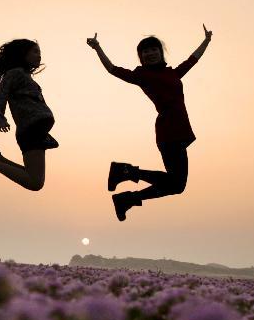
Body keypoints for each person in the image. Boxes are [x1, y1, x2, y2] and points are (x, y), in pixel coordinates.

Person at [86, 25, 212, 220]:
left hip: (180, 129)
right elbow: (113, 69)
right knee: (176, 184)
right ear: (141, 56)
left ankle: (126, 195)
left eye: (154, 49)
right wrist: (97, 48)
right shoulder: (143, 76)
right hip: (169, 131)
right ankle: (125, 175)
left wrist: (206, 41)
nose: (150, 53)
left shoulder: (172, 73)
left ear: (161, 52)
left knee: (176, 184)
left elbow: (192, 59)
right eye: (145, 51)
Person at [0, 39, 57, 191]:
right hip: (30, 130)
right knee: (35, 183)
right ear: (23, 54)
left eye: (40, 53)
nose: (39, 56)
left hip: (37, 131)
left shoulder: (26, 77)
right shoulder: (15, 74)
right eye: (35, 52)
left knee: (34, 178)